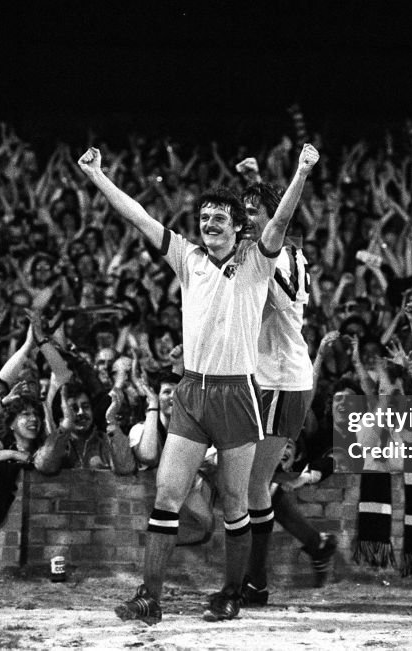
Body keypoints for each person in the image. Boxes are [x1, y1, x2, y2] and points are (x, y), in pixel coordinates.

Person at [78, 142, 319, 624]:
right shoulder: (186, 257)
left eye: (218, 218)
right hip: (191, 392)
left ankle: (232, 592)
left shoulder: (258, 259)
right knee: (166, 497)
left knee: (235, 502)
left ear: (236, 226)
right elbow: (140, 218)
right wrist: (97, 178)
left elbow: (280, 222)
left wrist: (300, 173)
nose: (209, 224)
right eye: (204, 217)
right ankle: (149, 598)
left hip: (236, 394)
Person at [237, 181, 332, 607]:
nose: (246, 220)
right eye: (245, 212)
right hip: (267, 377)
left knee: (253, 485)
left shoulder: (278, 259)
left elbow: (274, 300)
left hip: (279, 379)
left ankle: (255, 581)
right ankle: (304, 550)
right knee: (254, 485)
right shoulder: (285, 252)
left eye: (253, 212)